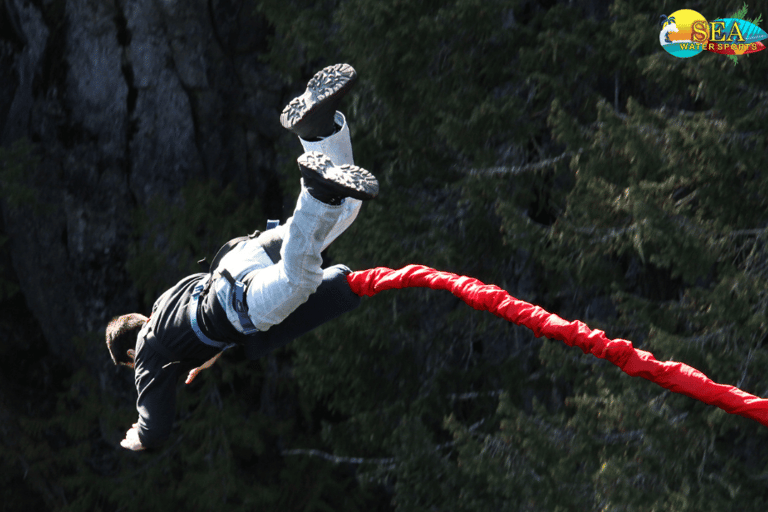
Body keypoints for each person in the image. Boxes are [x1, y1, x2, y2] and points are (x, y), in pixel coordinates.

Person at [106, 63, 378, 451]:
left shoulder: (148, 352)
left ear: (132, 354)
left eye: (134, 364)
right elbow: (193, 329)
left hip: (239, 302)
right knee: (348, 209)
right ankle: (318, 131)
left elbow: (155, 429)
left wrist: (135, 438)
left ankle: (315, 191)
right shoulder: (164, 306)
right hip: (244, 255)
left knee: (297, 280)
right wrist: (207, 355)